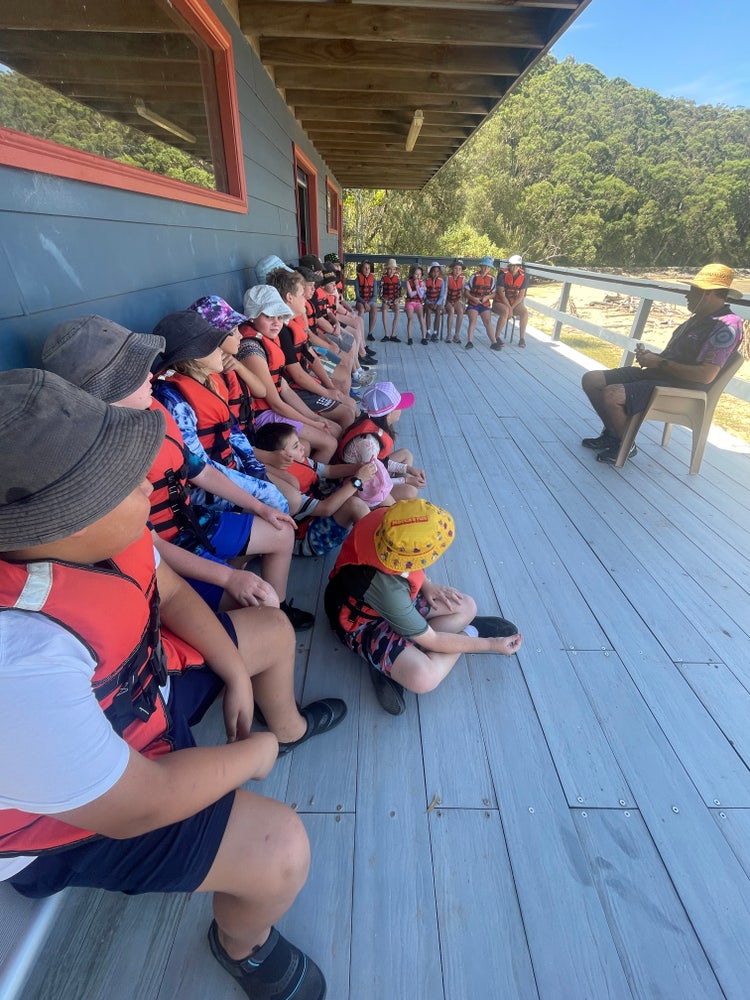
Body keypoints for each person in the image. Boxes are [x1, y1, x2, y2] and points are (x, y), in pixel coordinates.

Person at [0, 369, 345, 1000]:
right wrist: (251, 755)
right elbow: (140, 805)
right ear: (59, 521)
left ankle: (286, 725)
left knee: (268, 631)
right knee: (280, 848)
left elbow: (172, 589)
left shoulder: (101, 536)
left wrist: (237, 674)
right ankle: (242, 945)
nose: (145, 482)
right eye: (124, 479)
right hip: (75, 813)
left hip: (139, 690)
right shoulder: (16, 658)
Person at [41, 314, 314, 628]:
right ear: (106, 386)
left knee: (282, 532)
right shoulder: (104, 460)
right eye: (134, 369)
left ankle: (277, 608)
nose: (150, 373)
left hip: (189, 522)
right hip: (167, 554)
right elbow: (153, 545)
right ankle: (258, 619)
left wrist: (260, 508)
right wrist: (229, 577)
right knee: (257, 602)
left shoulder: (156, 411)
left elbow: (201, 471)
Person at [324, 499, 523, 716]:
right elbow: (434, 640)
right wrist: (490, 645)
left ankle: (396, 661)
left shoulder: (387, 521)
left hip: (388, 602)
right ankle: (470, 633)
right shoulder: (387, 588)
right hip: (363, 625)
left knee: (466, 606)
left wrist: (427, 585)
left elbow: (407, 568)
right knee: (424, 678)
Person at [581, 263, 745, 465]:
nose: (687, 295)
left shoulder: (727, 326)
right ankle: (615, 434)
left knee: (612, 394)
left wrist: (660, 363)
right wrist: (653, 359)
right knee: (592, 379)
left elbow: (705, 376)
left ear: (709, 293)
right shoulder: (698, 319)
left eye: (693, 290)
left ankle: (626, 445)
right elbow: (674, 358)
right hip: (660, 375)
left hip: (681, 388)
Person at [233, 286, 340, 462]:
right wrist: (314, 424)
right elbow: (275, 404)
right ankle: (318, 482)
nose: (276, 322)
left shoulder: (269, 338)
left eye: (280, 316)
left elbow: (285, 389)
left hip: (273, 409)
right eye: (269, 316)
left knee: (317, 438)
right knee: (329, 441)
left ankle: (317, 476)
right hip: (261, 416)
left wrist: (312, 417)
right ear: (252, 316)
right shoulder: (251, 349)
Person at [253, 422, 375, 557]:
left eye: (298, 442)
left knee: (360, 484)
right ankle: (377, 551)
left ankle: (388, 525)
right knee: (355, 504)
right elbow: (325, 509)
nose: (303, 448)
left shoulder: (297, 461)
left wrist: (359, 468)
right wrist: (358, 480)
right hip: (309, 536)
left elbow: (329, 470)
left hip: (323, 501)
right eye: (295, 446)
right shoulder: (283, 485)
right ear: (279, 455)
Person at [265, 267, 358, 431]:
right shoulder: (282, 330)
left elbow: (309, 352)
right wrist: (328, 392)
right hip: (297, 386)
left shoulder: (295, 322)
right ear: (289, 297)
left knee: (343, 370)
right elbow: (298, 375)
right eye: (302, 293)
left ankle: (346, 398)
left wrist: (330, 387)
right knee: (347, 406)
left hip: (311, 362)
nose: (307, 298)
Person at [337, 382, 426, 509]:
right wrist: (405, 480)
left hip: (371, 470)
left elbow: (382, 462)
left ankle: (401, 491)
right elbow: (373, 482)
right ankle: (385, 507)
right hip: (357, 486)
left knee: (406, 454)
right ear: (388, 414)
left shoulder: (372, 421)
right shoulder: (369, 443)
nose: (401, 409)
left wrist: (407, 469)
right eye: (398, 406)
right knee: (411, 492)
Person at [465, 256, 503, 351]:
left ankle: (494, 342)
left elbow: (494, 293)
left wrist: (487, 297)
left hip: (485, 304)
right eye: (484, 266)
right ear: (481, 266)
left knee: (487, 321)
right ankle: (469, 341)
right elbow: (466, 292)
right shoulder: (474, 276)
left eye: (488, 267)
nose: (486, 268)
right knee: (473, 320)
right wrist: (473, 298)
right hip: (473, 302)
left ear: (490, 268)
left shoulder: (491, 279)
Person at [494, 254, 529, 347]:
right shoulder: (502, 274)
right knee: (505, 311)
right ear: (509, 265)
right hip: (500, 301)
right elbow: (501, 294)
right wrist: (509, 309)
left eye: (517, 265)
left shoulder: (523, 277)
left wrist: (512, 308)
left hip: (513, 302)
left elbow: (521, 296)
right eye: (512, 265)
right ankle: (496, 337)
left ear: (520, 266)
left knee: (524, 312)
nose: (514, 267)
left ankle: (522, 339)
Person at [355, 260, 379, 341]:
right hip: (361, 301)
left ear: (370, 269)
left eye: (368, 268)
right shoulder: (357, 280)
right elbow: (357, 296)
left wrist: (368, 303)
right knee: (361, 310)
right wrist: (364, 303)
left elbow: (375, 296)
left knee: (374, 310)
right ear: (361, 269)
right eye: (365, 268)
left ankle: (370, 333)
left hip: (370, 301)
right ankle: (359, 333)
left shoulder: (374, 280)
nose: (366, 270)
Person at [379, 259, 402, 343]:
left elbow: (400, 292)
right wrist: (386, 301)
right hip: (386, 300)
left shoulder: (398, 278)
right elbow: (380, 294)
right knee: (384, 310)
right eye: (389, 269)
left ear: (395, 270)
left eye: (393, 269)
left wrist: (398, 299)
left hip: (394, 299)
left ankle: (393, 334)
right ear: (387, 269)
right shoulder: (383, 278)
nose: (391, 271)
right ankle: (386, 334)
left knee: (397, 310)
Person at [445, 258, 466, 345]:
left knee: (460, 311)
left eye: (459, 269)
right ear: (452, 269)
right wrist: (444, 304)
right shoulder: (447, 278)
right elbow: (445, 292)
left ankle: (456, 335)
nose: (457, 271)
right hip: (448, 300)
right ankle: (449, 334)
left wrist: (463, 303)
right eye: (455, 268)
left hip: (457, 300)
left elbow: (463, 292)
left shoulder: (463, 278)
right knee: (452, 311)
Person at [404, 265, 427, 346]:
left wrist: (418, 286)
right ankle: (409, 337)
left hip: (418, 302)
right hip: (410, 302)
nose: (418, 276)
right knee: (410, 318)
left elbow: (421, 296)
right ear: (412, 274)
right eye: (416, 274)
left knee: (421, 317)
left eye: (419, 274)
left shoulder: (422, 282)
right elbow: (410, 294)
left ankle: (424, 337)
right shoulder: (408, 282)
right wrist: (419, 288)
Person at [424, 262, 446, 342]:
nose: (435, 273)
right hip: (428, 301)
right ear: (430, 272)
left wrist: (437, 304)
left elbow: (442, 295)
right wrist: (428, 302)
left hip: (437, 302)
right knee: (428, 311)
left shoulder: (442, 282)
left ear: (439, 272)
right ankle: (428, 331)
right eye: (433, 271)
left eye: (437, 271)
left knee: (438, 311)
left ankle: (435, 333)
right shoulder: (426, 281)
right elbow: (423, 294)